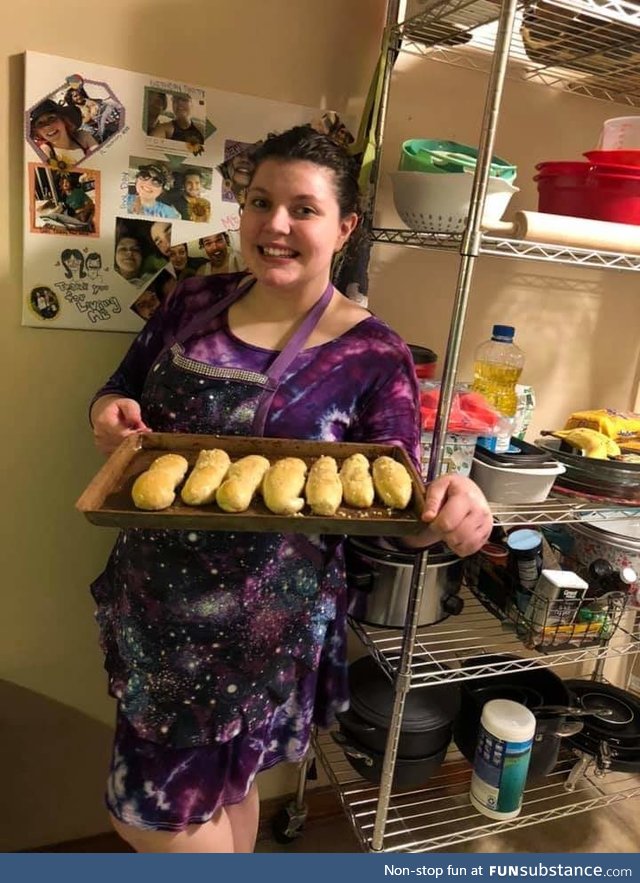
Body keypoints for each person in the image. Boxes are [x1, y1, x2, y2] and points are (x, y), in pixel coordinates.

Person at [89, 125, 492, 854]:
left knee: (151, 814)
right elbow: (123, 386)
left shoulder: (373, 354)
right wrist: (106, 410)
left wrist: (441, 516)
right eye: (259, 201)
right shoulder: (191, 301)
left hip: (264, 630)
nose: (275, 224)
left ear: (344, 228)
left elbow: (385, 512)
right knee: (220, 792)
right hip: (155, 611)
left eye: (302, 208)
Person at [29, 98, 98, 167]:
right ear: (37, 132)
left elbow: (101, 158)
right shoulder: (46, 152)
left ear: (64, 120)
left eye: (51, 118)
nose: (48, 126)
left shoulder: (83, 137)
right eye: (40, 123)